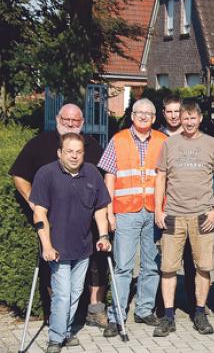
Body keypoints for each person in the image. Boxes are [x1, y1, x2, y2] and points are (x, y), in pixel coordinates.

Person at [9, 104, 107, 327]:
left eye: (76, 120)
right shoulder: (39, 143)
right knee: (52, 268)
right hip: (52, 222)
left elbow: (104, 181)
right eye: (66, 119)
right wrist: (33, 202)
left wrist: (106, 215)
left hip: (86, 222)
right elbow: (19, 175)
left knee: (93, 268)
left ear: (82, 122)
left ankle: (86, 313)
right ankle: (56, 317)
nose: (71, 123)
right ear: (57, 119)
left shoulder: (91, 146)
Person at [29, 133, 111, 353]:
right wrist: (46, 245)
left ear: (83, 153)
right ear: (60, 153)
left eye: (78, 152)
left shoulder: (92, 173)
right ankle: (55, 339)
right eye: (69, 152)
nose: (74, 156)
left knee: (75, 294)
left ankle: (65, 331)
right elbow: (39, 213)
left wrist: (103, 236)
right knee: (63, 294)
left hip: (83, 247)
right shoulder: (46, 174)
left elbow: (100, 208)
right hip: (57, 249)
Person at [153, 101, 214, 337]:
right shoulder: (169, 144)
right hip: (173, 214)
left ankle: (200, 312)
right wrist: (158, 210)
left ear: (200, 118)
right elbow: (160, 177)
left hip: (203, 215)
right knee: (168, 268)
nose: (189, 122)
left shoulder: (212, 144)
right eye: (185, 118)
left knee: (203, 266)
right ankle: (168, 316)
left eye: (193, 118)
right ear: (179, 119)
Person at [99, 98, 166, 337]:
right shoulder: (118, 140)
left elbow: (167, 178)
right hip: (125, 211)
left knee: (151, 265)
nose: (144, 116)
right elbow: (109, 178)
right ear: (132, 115)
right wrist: (108, 212)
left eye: (149, 113)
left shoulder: (162, 140)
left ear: (155, 117)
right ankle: (116, 315)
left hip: (154, 212)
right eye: (140, 112)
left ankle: (145, 309)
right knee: (123, 266)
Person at [157, 94, 198, 316]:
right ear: (164, 114)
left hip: (191, 209)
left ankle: (194, 304)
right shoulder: (158, 138)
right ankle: (163, 307)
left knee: (192, 261)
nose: (174, 116)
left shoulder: (193, 137)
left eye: (177, 112)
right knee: (166, 261)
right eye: (170, 112)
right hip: (167, 208)